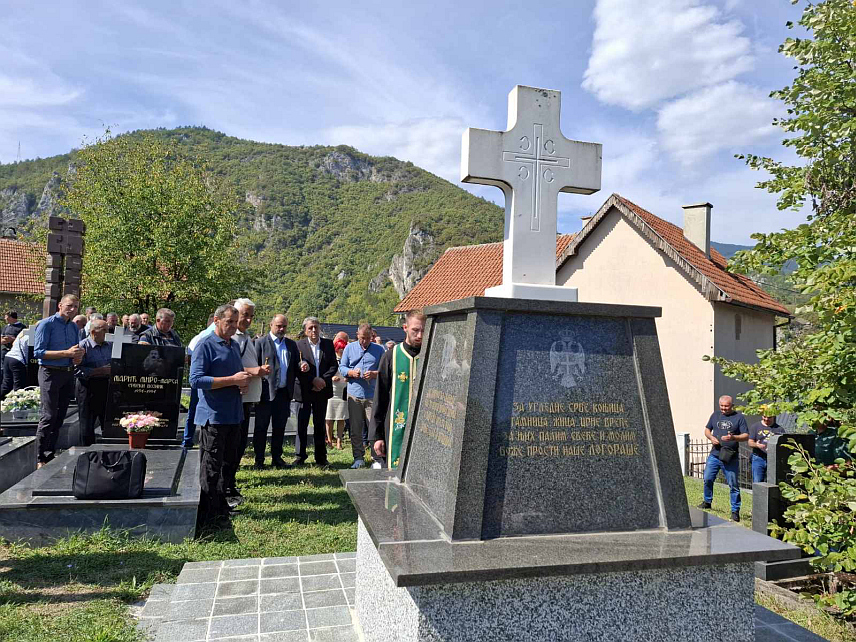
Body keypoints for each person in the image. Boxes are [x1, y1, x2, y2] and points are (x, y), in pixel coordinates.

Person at [190, 303, 250, 528]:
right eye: (229, 323)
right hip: (213, 416)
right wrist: (233, 380)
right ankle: (208, 514)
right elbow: (196, 380)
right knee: (211, 466)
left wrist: (241, 384)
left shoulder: (233, 346)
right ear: (216, 321)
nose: (234, 327)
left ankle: (221, 506)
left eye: (235, 322)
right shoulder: (205, 346)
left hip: (233, 414)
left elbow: (235, 375)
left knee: (228, 464)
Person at [225, 298, 269, 502]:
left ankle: (230, 484)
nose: (249, 320)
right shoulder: (232, 338)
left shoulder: (244, 336)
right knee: (233, 446)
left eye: (251, 316)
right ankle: (227, 486)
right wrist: (256, 371)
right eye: (245, 315)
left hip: (246, 399)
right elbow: (229, 368)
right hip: (236, 398)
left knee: (239, 444)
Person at [369, 311, 425, 469]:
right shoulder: (390, 356)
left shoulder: (431, 355)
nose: (420, 335)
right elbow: (380, 397)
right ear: (405, 328)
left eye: (423, 331)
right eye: (415, 330)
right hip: (395, 425)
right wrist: (377, 436)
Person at [33, 294, 84, 466]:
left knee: (61, 415)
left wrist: (77, 356)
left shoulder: (74, 328)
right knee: (49, 415)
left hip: (67, 372)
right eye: (69, 306)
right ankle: (39, 457)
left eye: (75, 307)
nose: (72, 309)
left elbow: (74, 351)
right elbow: (38, 353)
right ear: (60, 305)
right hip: (50, 372)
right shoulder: (46, 324)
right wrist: (66, 353)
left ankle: (49, 453)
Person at [254, 314, 301, 469]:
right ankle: (259, 460)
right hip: (265, 393)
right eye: (278, 326)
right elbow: (254, 367)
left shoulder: (291, 345)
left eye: (284, 326)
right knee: (261, 428)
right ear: (271, 325)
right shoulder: (260, 343)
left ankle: (277, 458)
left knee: (280, 427)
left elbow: (295, 366)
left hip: (284, 394)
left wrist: (303, 365)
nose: (281, 329)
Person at [339, 323, 385, 469]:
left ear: (372, 336)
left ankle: (376, 458)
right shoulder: (349, 348)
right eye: (362, 338)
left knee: (374, 427)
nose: (364, 341)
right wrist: (351, 373)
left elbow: (385, 370)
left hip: (372, 395)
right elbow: (342, 367)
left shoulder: (379, 350)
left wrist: (374, 374)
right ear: (357, 335)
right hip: (355, 393)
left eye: (367, 338)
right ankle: (358, 457)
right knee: (356, 428)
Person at [294, 317, 337, 467]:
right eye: (310, 328)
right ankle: (300, 456)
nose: (313, 330)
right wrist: (312, 380)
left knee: (319, 424)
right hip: (305, 390)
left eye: (316, 327)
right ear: (305, 330)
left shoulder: (327, 344)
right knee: (302, 424)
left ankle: (321, 457)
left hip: (322, 390)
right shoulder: (298, 345)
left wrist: (322, 380)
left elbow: (333, 366)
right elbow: (296, 368)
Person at [699, 395, 748, 521]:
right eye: (722, 406)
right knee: (708, 479)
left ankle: (735, 511)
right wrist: (711, 438)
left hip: (730, 456)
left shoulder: (739, 418)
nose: (724, 408)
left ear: (732, 405)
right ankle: (707, 501)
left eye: (726, 406)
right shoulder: (715, 415)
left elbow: (746, 436)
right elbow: (707, 430)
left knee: (733, 485)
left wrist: (734, 438)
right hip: (715, 455)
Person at [74, 319, 112, 446]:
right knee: (87, 423)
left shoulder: (110, 345)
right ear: (93, 332)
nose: (108, 332)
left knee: (107, 421)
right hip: (87, 387)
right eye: (104, 330)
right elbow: (75, 370)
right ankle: (86, 451)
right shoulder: (82, 346)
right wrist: (97, 371)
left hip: (106, 386)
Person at [183, 313, 217, 449]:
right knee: (194, 409)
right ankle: (187, 439)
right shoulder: (201, 337)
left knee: (195, 410)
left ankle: (188, 439)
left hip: (210, 379)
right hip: (201, 379)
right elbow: (188, 357)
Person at [326, 332, 349, 451]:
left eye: (343, 349)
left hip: (343, 390)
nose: (341, 351)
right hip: (332, 390)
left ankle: (339, 441)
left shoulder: (347, 359)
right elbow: (326, 372)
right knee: (329, 417)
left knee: (341, 417)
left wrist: (348, 377)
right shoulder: (331, 358)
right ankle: (329, 440)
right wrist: (331, 378)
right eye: (339, 349)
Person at [747, 410, 785, 483]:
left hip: (773, 459)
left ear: (773, 417)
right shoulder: (755, 427)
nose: (766, 419)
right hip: (758, 458)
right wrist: (757, 445)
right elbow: (750, 442)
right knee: (758, 482)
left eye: (769, 417)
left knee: (773, 482)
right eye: (764, 417)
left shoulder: (779, 429)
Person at [1, 310, 28, 400]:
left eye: (6, 316)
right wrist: (4, 340)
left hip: (15, 353)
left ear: (10, 317)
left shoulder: (22, 328)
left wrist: (13, 339)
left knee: (15, 381)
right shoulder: (6, 327)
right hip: (7, 353)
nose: (5, 318)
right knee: (7, 379)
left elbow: (22, 340)